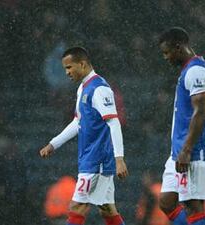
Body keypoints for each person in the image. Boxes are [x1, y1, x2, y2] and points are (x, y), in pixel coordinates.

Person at [39, 47, 128, 225]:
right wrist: (53, 144)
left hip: (97, 161)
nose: (67, 72)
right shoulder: (83, 89)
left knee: (76, 207)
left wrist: (119, 159)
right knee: (107, 209)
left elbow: (114, 123)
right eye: (65, 68)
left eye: (69, 67)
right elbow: (78, 123)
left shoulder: (99, 89)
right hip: (91, 158)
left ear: (82, 64)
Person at [158, 27, 205, 225]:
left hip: (195, 150)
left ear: (178, 47)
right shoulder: (189, 70)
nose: (165, 58)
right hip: (179, 150)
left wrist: (187, 150)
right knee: (167, 202)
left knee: (193, 206)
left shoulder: (196, 70)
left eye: (167, 52)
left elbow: (200, 112)